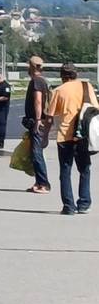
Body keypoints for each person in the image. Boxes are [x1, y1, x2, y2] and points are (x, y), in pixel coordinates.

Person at [47, 62, 97, 215]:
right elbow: (95, 108)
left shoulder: (58, 91)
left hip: (64, 136)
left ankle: (69, 206)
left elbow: (50, 115)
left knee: (65, 170)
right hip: (83, 136)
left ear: (62, 76)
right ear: (76, 73)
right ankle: (84, 203)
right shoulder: (86, 87)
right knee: (84, 169)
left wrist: (44, 135)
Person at [24, 56, 52, 194]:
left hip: (38, 122)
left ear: (31, 67)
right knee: (35, 152)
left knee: (36, 153)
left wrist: (38, 119)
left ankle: (44, 184)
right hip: (41, 121)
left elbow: (38, 101)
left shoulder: (36, 81)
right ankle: (38, 182)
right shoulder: (43, 81)